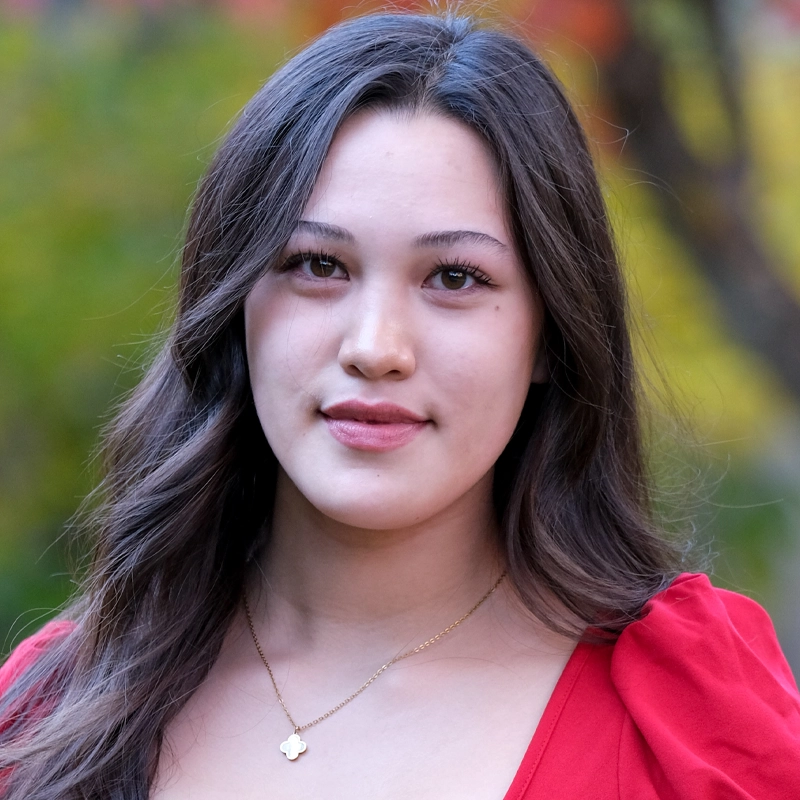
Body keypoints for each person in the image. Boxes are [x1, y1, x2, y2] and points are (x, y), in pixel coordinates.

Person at [1, 9, 799, 799]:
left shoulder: (692, 728)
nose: (376, 347)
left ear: (554, 335)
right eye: (318, 264)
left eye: (454, 278)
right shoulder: (50, 718)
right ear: (234, 303)